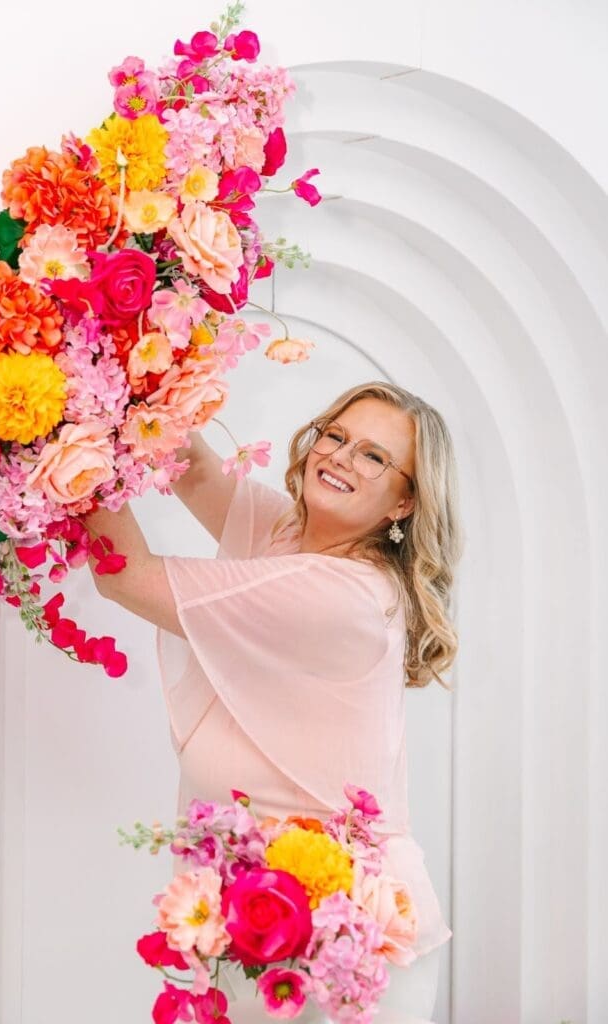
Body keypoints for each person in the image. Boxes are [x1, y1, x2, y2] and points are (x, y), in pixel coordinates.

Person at [85, 381, 463, 1024]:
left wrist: (75, 440)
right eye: (336, 436)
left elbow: (126, 575)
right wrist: (110, 369)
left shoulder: (337, 593)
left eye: (374, 456)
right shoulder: (292, 535)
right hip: (271, 919)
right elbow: (197, 469)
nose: (341, 457)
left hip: (345, 948)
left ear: (405, 501)